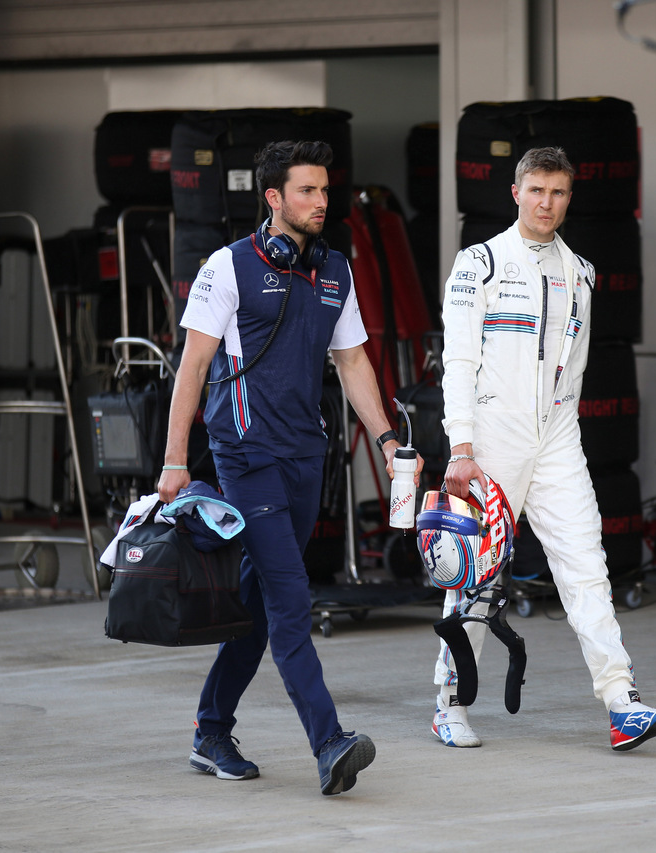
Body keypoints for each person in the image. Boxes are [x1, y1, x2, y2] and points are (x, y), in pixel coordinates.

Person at [158, 139, 421, 795]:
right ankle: (329, 741)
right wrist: (171, 460)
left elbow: (353, 361)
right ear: (272, 197)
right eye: (306, 191)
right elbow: (191, 365)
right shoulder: (229, 267)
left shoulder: (335, 271)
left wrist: (387, 438)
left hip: (307, 456)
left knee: (259, 601)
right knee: (290, 598)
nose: (320, 202)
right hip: (246, 455)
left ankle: (210, 730)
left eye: (325, 191)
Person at [430, 146, 656, 751]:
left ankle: (622, 703)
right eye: (536, 190)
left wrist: (559, 432)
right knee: (474, 576)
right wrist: (460, 446)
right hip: (490, 439)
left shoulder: (582, 272)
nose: (547, 203)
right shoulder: (478, 263)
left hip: (557, 438)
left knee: (587, 567)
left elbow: (575, 373)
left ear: (571, 198)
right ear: (515, 192)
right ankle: (449, 704)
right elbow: (458, 363)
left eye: (559, 192)